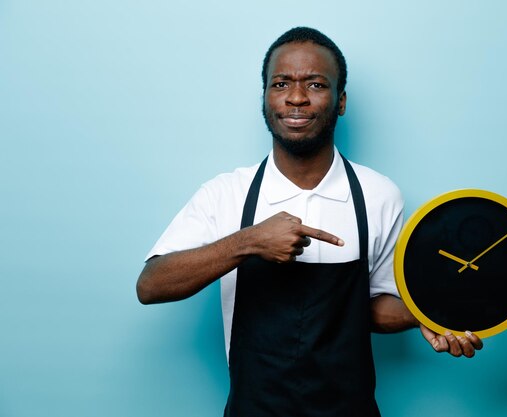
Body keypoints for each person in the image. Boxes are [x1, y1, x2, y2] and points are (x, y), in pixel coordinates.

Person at [137, 27, 483, 417]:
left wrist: (428, 314)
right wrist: (248, 242)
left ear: (341, 101)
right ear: (265, 98)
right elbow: (151, 285)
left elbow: (368, 309)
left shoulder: (379, 194)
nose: (296, 97)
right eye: (281, 83)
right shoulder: (226, 193)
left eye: (315, 84)